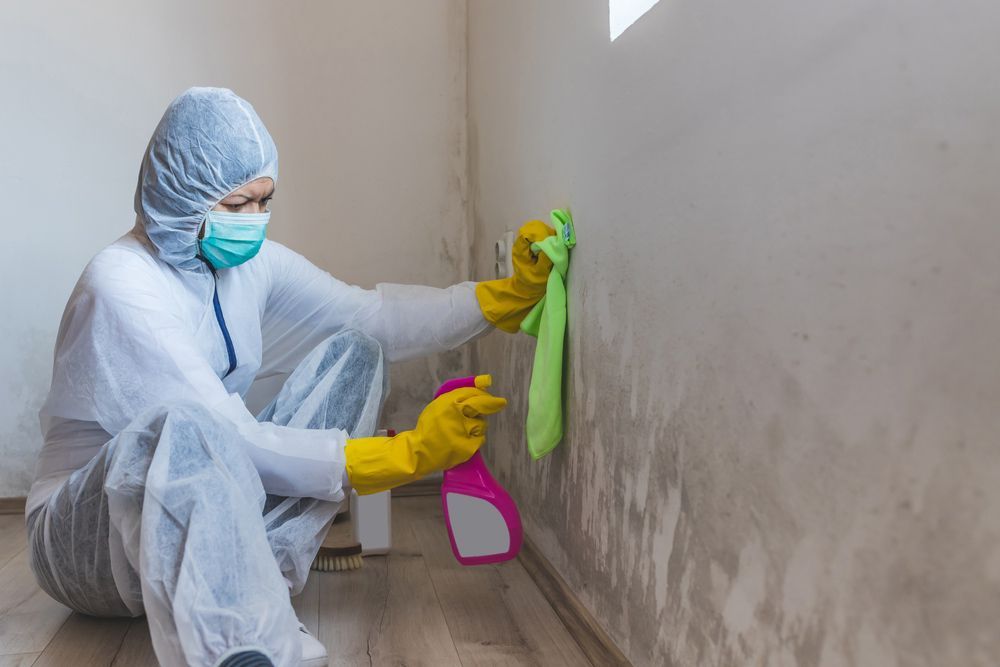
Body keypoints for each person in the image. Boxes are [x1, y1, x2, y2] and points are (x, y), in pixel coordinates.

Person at [25, 87, 554, 667]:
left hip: (205, 500)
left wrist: (500, 298)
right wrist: (401, 456)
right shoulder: (120, 284)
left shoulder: (249, 263)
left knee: (357, 352)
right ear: (181, 193)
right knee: (188, 424)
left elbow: (372, 316)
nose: (254, 221)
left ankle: (258, 592)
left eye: (265, 200)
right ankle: (244, 643)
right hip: (89, 546)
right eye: (235, 205)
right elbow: (227, 434)